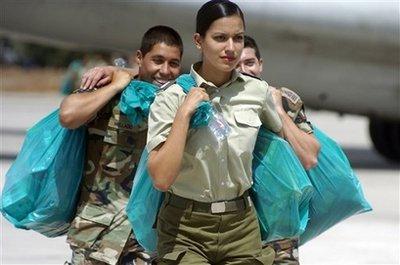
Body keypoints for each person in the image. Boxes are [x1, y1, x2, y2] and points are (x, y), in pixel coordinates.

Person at [145, 1, 281, 264]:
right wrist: (184, 114)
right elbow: (161, 178)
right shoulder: (171, 97)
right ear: (199, 41)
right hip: (184, 227)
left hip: (242, 226)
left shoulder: (258, 92)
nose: (231, 48)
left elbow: (281, 147)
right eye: (220, 38)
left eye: (238, 38)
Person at [59, 25, 183, 265]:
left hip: (149, 240)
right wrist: (117, 83)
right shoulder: (110, 91)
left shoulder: (181, 103)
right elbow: (68, 115)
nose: (165, 70)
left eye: (173, 63)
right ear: (140, 58)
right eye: (157, 60)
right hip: (98, 233)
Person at [237, 35, 320, 264]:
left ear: (260, 64)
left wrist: (279, 113)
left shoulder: (284, 101)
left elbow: (310, 157)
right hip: (233, 227)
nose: (244, 70)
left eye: (249, 63)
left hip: (279, 228)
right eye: (236, 64)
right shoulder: (216, 100)